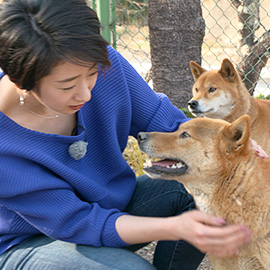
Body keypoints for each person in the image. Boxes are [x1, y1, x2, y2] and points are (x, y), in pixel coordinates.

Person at [0, 0, 251, 269]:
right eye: (67, 86)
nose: (85, 93)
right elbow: (78, 222)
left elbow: (166, 123)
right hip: (31, 240)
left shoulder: (101, 62)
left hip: (111, 206)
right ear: (21, 81)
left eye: (91, 74)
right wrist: (174, 228)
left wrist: (244, 152)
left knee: (207, 180)